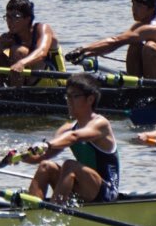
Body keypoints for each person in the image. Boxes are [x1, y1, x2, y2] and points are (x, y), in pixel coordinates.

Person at [23, 73, 121, 203]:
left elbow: (75, 137)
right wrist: (20, 156)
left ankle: (55, 210)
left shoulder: (101, 124)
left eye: (74, 96)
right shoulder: (66, 129)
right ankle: (32, 209)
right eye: (67, 96)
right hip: (83, 187)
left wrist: (47, 144)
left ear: (90, 99)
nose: (69, 101)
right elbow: (42, 156)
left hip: (106, 191)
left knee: (69, 165)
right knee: (46, 166)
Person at [69, 0, 156, 82]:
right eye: (133, 4)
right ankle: (134, 85)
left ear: (151, 9)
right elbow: (114, 44)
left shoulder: (155, 28)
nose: (133, 9)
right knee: (135, 44)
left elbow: (115, 40)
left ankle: (149, 90)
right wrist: (85, 54)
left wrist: (82, 49)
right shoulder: (139, 26)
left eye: (139, 5)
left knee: (150, 47)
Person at [0, 0, 65, 88]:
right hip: (26, 81)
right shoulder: (8, 37)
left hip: (54, 81)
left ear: (27, 18)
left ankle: (16, 95)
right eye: (8, 17)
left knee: (19, 51)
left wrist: (21, 63)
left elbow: (41, 52)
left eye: (15, 16)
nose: (9, 21)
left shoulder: (42, 29)